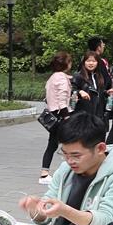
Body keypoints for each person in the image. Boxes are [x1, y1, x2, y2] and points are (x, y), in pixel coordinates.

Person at [19, 113, 113, 225]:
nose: (70, 161)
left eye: (76, 155)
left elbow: (106, 221)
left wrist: (65, 211)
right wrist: (37, 210)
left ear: (100, 149)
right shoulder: (65, 169)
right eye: (64, 154)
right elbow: (48, 212)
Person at [39, 51, 73, 184]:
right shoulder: (61, 79)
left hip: (52, 116)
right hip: (60, 115)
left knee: (52, 145)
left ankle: (44, 173)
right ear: (66, 64)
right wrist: (66, 116)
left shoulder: (53, 77)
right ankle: (67, 173)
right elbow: (62, 99)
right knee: (70, 144)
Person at [72, 51, 110, 121]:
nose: (91, 63)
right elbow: (72, 90)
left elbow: (98, 93)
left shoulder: (99, 76)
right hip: (84, 115)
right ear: (84, 62)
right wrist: (80, 92)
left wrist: (107, 92)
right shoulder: (78, 76)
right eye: (88, 61)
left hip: (98, 114)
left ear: (98, 63)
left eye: (94, 61)